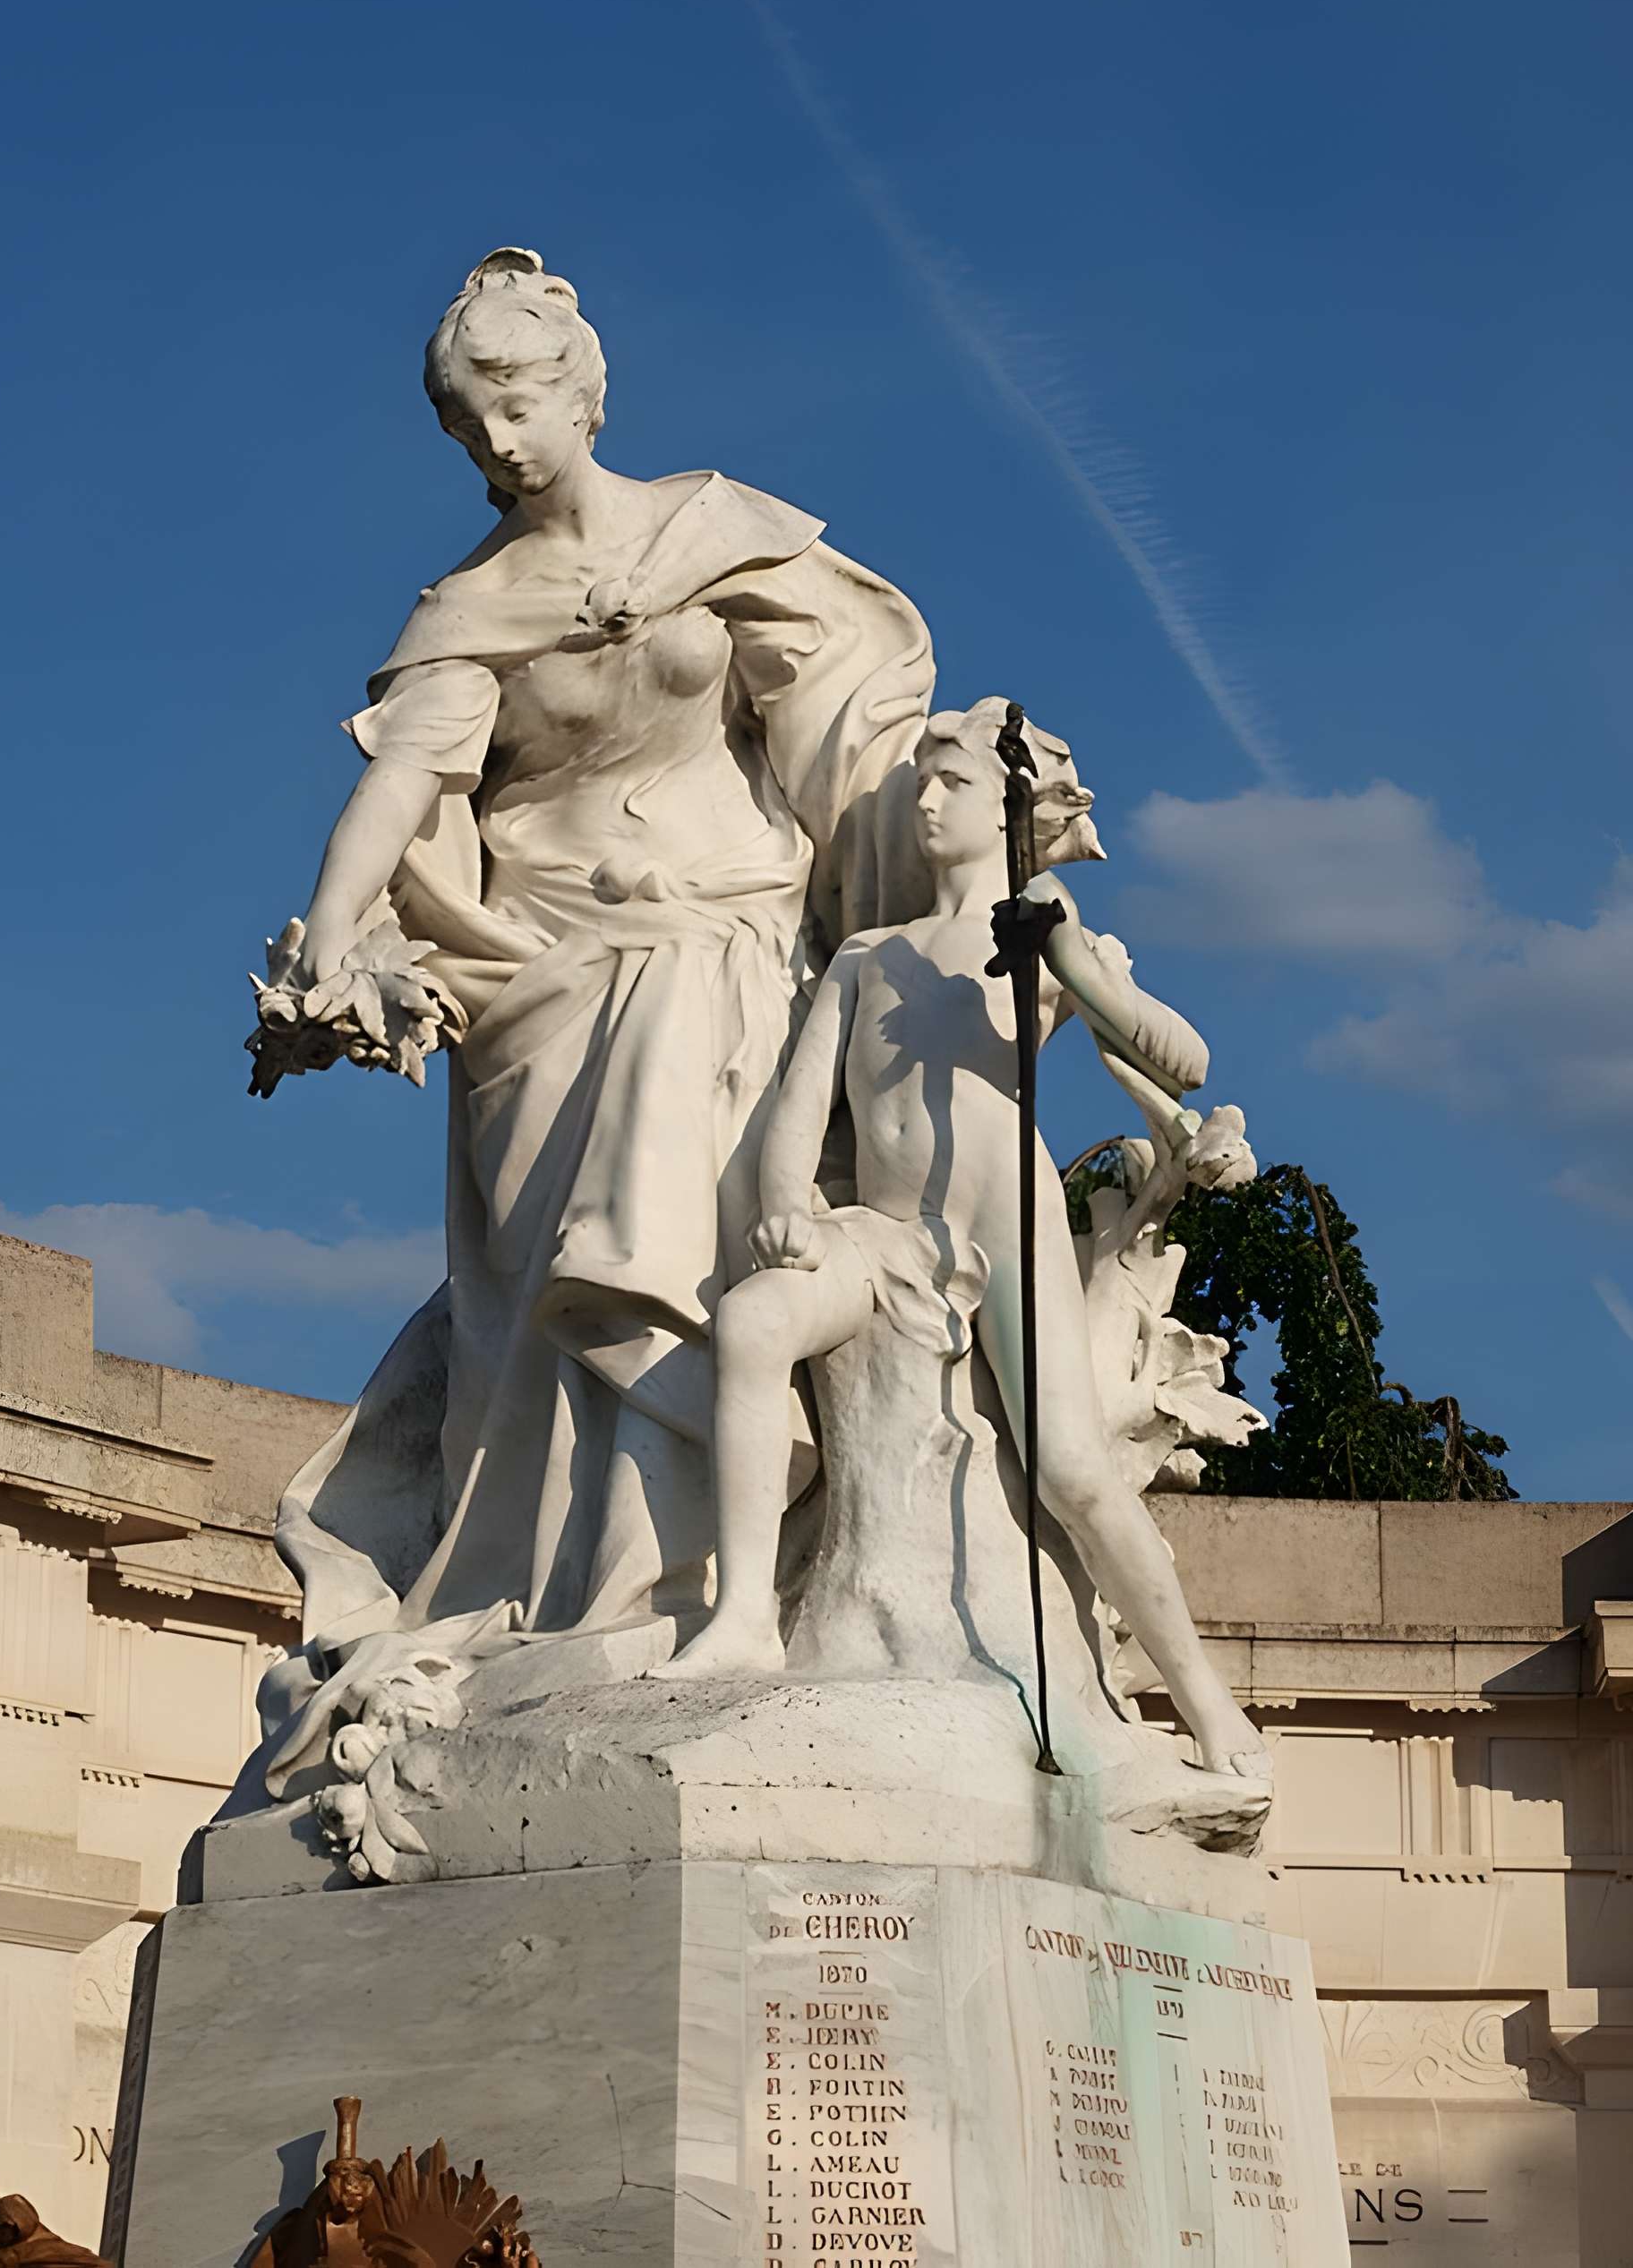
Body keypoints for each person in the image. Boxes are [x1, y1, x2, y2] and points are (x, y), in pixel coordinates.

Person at [251, 249, 938, 1789]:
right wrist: (338, 926)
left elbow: (850, 748)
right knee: (563, 1300)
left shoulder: (724, 536)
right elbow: (404, 784)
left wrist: (957, 843)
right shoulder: (472, 609)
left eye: (513, 401)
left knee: (693, 1240)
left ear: (584, 388)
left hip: (735, 943)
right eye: (464, 421)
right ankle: (587, 1596)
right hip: (546, 987)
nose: (496, 439)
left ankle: (696, 1589)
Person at [667, 701, 1270, 1784]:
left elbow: (1183, 1057)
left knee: (1074, 1473)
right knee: (753, 1321)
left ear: (1007, 809)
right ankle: (745, 1616)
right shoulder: (867, 954)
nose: (925, 800)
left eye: (951, 782)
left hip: (1003, 1221)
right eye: (921, 782)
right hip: (887, 1234)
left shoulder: (1042, 932)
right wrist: (782, 1198)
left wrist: (1069, 963)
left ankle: (1206, 1704)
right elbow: (798, 1109)